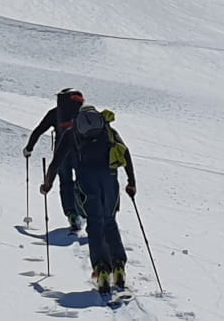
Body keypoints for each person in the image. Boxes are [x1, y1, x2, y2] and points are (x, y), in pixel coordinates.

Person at [40, 105, 136, 294]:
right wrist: (131, 182)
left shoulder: (72, 132)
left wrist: (48, 183)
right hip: (109, 180)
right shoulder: (107, 128)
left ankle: (101, 270)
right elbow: (125, 152)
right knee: (109, 221)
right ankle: (118, 267)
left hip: (86, 180)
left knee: (94, 223)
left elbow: (57, 160)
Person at [24, 88, 85, 230]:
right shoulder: (83, 114)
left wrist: (29, 148)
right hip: (81, 151)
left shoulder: (55, 113)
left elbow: (39, 130)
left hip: (61, 151)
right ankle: (86, 211)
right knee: (84, 180)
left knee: (65, 182)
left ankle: (72, 214)